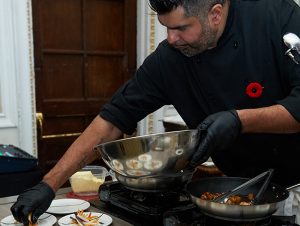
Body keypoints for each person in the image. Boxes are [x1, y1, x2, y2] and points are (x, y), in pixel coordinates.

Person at [11, 0, 300, 224]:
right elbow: (112, 119)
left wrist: (240, 121)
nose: (171, 38)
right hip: (236, 193)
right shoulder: (170, 59)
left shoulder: (277, 17)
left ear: (215, 13)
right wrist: (49, 184)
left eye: (181, 28)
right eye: (166, 27)